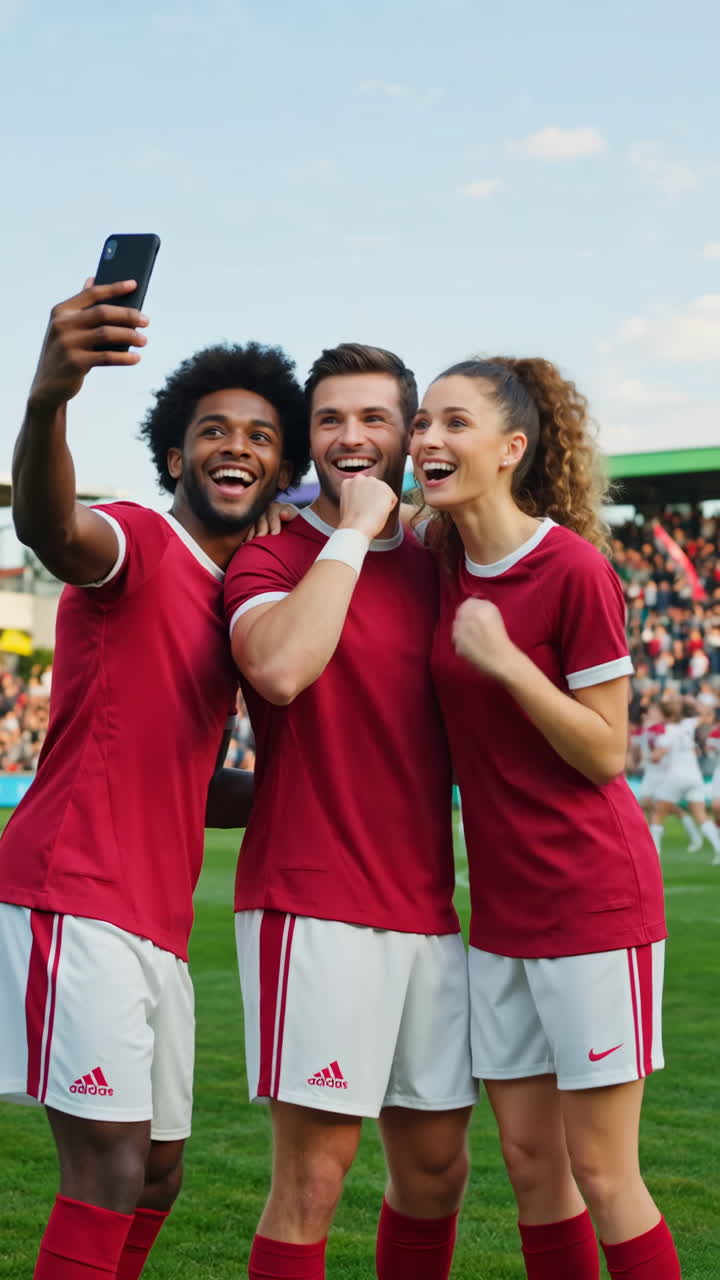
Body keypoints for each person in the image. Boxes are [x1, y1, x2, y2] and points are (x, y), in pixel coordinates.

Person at [0, 278, 309, 1280]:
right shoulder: (138, 536)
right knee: (109, 1163)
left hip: (155, 922)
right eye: (213, 431)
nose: (236, 446)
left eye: (260, 437)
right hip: (74, 892)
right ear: (177, 455)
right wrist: (51, 396)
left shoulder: (238, 603)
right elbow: (52, 526)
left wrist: (319, 795)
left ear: (282, 471)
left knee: (162, 1171)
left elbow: (200, 783)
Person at [410, 356, 681, 1280]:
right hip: (502, 914)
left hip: (593, 903)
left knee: (604, 1171)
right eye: (421, 424)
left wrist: (508, 661)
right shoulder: (440, 555)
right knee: (532, 1167)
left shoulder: (573, 568)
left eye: (453, 424)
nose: (427, 441)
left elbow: (608, 751)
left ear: (511, 449)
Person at [224, 344, 475, 1280]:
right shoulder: (270, 558)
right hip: (313, 900)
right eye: (330, 419)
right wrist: (353, 534)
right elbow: (282, 671)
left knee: (438, 1170)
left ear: (410, 434)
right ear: (309, 438)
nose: (351, 436)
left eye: (375, 418)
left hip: (428, 909)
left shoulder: (446, 562)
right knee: (314, 1182)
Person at [650, 695, 720, 861]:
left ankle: (655, 854)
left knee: (657, 815)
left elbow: (657, 757)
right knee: (701, 815)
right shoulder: (688, 724)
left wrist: (651, 755)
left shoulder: (667, 732)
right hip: (694, 775)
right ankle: (718, 848)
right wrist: (698, 705)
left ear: (664, 715)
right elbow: (707, 717)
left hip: (676, 776)